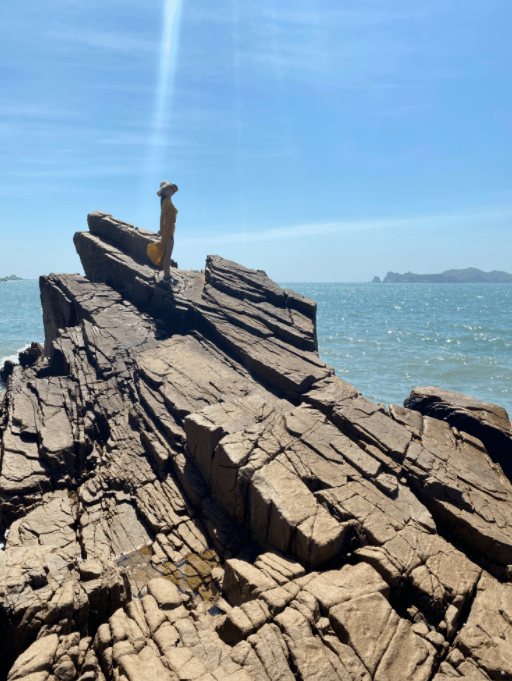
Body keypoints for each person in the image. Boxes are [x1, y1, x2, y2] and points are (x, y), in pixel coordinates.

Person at [146, 181, 178, 283]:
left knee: (167, 254)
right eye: (167, 189)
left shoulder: (168, 201)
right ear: (163, 192)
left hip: (169, 230)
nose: (169, 191)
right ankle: (167, 277)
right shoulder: (166, 202)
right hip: (167, 231)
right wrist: (161, 230)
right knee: (167, 255)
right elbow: (162, 217)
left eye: (170, 189)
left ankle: (167, 276)